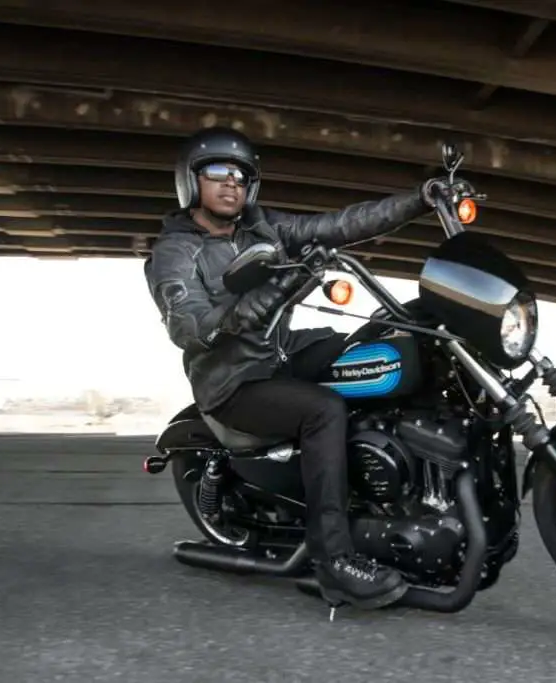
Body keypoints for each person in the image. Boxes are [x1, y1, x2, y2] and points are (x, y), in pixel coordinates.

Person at [144, 126, 446, 610]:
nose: (231, 183)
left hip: (282, 352)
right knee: (323, 410)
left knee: (385, 344)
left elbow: (343, 223)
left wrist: (420, 199)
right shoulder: (175, 253)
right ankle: (334, 564)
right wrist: (258, 303)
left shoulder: (263, 229)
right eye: (218, 172)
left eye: (241, 175)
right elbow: (189, 327)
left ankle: (410, 491)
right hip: (234, 382)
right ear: (191, 181)